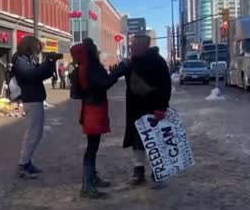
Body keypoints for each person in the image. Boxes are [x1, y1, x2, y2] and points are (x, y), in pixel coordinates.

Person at [70, 39, 123, 198]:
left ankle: (92, 177)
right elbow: (105, 83)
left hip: (91, 108)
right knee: (92, 148)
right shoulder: (89, 68)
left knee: (93, 147)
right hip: (94, 109)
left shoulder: (82, 68)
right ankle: (87, 185)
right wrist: (119, 70)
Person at [122, 35, 172, 184]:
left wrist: (161, 107)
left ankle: (158, 170)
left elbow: (166, 86)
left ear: (143, 46)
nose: (131, 47)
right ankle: (139, 171)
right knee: (137, 141)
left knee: (155, 140)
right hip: (135, 109)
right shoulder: (132, 62)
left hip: (153, 108)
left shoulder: (158, 61)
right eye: (131, 45)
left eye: (134, 45)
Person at [12, 36, 59, 179]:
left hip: (35, 97)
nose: (38, 51)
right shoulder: (20, 60)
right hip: (31, 98)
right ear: (30, 46)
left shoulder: (26, 59)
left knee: (36, 133)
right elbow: (31, 74)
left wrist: (51, 63)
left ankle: (27, 162)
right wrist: (48, 62)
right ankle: (23, 165)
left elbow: (41, 74)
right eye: (37, 48)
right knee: (33, 133)